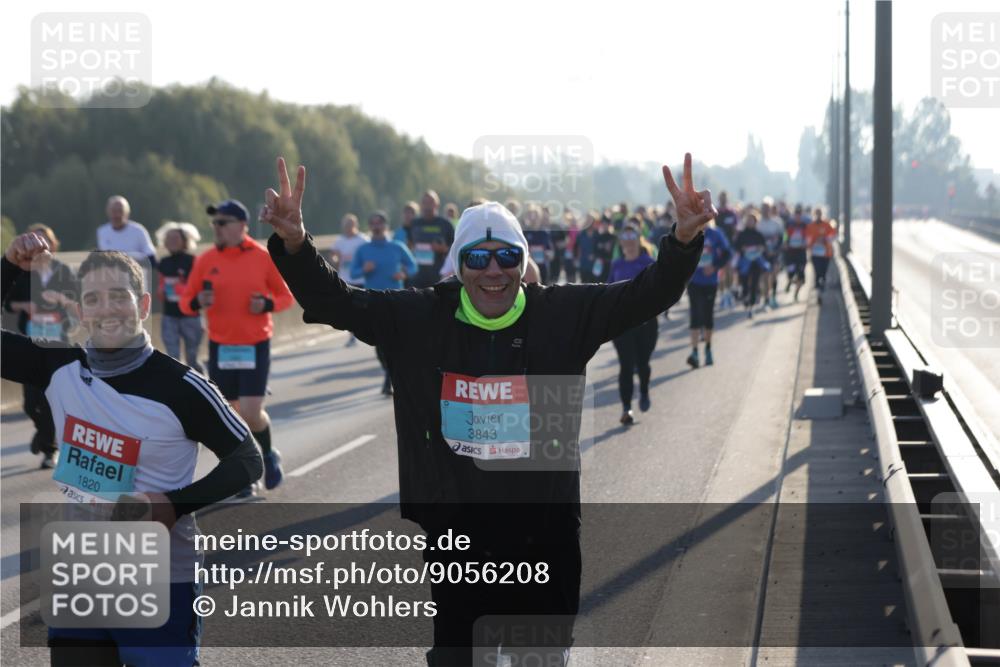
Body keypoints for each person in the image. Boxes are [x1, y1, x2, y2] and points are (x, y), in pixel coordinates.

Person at [261, 154, 713, 666]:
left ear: (522, 262)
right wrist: (296, 245)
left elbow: (648, 294)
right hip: (460, 535)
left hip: (544, 533)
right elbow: (336, 301)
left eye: (506, 257)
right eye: (477, 258)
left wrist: (681, 241)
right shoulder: (420, 317)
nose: (493, 271)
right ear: (459, 264)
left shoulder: (563, 313)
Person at [2, 233, 263, 667]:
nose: (108, 309)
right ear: (80, 311)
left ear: (143, 306)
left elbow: (247, 460)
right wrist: (9, 266)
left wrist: (175, 504)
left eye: (120, 296)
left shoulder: (183, 387)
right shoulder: (56, 368)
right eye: (94, 299)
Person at [179, 199, 294, 497]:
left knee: (253, 412)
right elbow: (185, 302)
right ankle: (246, 474)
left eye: (222, 222)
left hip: (254, 344)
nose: (216, 228)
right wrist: (196, 303)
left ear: (241, 226)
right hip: (221, 347)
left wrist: (266, 304)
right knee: (231, 415)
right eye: (214, 223)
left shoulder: (261, 257)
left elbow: (285, 297)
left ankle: (268, 453)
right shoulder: (204, 261)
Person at [1, 223, 79, 468]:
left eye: (43, 240)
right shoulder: (20, 274)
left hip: (56, 343)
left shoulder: (62, 272)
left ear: (52, 245)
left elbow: (79, 304)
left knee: (50, 401)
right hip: (28, 342)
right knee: (30, 404)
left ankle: (49, 447)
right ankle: (44, 434)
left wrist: (61, 301)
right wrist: (25, 307)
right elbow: (6, 303)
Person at [350, 211, 418, 395]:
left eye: (379, 223)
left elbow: (413, 266)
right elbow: (353, 272)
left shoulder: (397, 246)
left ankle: (390, 378)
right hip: (373, 300)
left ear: (386, 226)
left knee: (397, 341)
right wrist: (363, 269)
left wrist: (404, 274)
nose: (376, 227)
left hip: (396, 299)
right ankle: (389, 373)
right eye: (373, 223)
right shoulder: (363, 250)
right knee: (379, 344)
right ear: (369, 227)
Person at [608, 224, 658, 425]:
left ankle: (644, 390)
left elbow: (661, 287)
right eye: (624, 237)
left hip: (646, 321)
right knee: (626, 365)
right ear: (620, 242)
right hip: (622, 323)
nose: (628, 241)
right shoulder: (616, 265)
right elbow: (607, 290)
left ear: (639, 240)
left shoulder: (649, 262)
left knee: (642, 362)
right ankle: (626, 408)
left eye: (632, 237)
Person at [155, 222, 204, 372]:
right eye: (168, 239)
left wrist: (181, 287)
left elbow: (199, 285)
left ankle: (203, 385)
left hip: (191, 316)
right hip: (170, 316)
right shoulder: (163, 262)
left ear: (185, 241)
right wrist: (161, 291)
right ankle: (177, 390)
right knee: (173, 358)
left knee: (192, 358)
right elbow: (161, 284)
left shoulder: (193, 260)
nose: (171, 241)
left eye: (176, 238)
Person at [685, 219, 732, 368]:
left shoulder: (716, 233)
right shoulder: (690, 232)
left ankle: (708, 349)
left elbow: (727, 253)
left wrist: (715, 266)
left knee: (707, 315)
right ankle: (694, 352)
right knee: (695, 315)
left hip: (710, 282)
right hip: (694, 281)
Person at [329, 213, 370, 347]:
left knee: (363, 308)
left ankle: (367, 330)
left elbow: (371, 254)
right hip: (345, 279)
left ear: (355, 225)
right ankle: (352, 336)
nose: (348, 228)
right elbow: (332, 256)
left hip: (361, 278)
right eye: (346, 225)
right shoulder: (340, 241)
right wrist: (336, 259)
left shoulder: (363, 240)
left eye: (350, 225)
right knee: (349, 309)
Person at [96, 195, 158, 269]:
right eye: (113, 211)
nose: (117, 215)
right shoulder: (102, 231)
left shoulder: (138, 230)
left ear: (127, 213)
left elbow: (151, 258)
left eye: (120, 211)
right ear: (108, 212)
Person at [409, 190, 455, 288]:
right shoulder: (414, 224)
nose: (427, 206)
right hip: (417, 276)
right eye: (424, 202)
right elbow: (408, 245)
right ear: (420, 205)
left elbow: (455, 250)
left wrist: (443, 249)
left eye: (430, 202)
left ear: (437, 204)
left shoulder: (446, 224)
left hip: (438, 275)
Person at [733, 210, 770, 319]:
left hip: (756, 263)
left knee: (754, 283)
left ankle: (752, 307)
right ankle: (745, 297)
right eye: (748, 220)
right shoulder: (741, 234)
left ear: (755, 221)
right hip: (744, 262)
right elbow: (736, 246)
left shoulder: (759, 234)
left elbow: (764, 247)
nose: (750, 222)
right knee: (744, 282)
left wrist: (760, 248)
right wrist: (742, 249)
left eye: (752, 220)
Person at [758, 201, 785, 309]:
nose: (765, 211)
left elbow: (783, 237)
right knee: (765, 277)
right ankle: (766, 298)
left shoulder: (777, 222)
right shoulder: (758, 224)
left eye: (767, 209)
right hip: (763, 254)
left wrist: (777, 250)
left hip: (775, 253)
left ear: (770, 210)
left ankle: (773, 296)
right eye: (763, 209)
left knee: (773, 275)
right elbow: (757, 241)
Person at [806, 207, 836, 305]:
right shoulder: (810, 226)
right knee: (817, 273)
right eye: (816, 213)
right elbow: (808, 240)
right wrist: (815, 241)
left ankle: (821, 290)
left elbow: (833, 236)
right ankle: (819, 293)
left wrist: (825, 239)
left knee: (823, 274)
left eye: (820, 213)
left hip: (826, 254)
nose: (818, 215)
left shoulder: (827, 225)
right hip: (815, 254)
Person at [783, 204, 809, 302]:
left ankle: (796, 294)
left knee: (801, 276)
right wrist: (785, 242)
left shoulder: (805, 225)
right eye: (796, 214)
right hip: (791, 253)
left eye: (800, 214)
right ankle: (789, 282)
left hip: (801, 253)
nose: (798, 217)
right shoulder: (789, 224)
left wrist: (806, 244)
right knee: (791, 272)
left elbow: (808, 237)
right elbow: (785, 235)